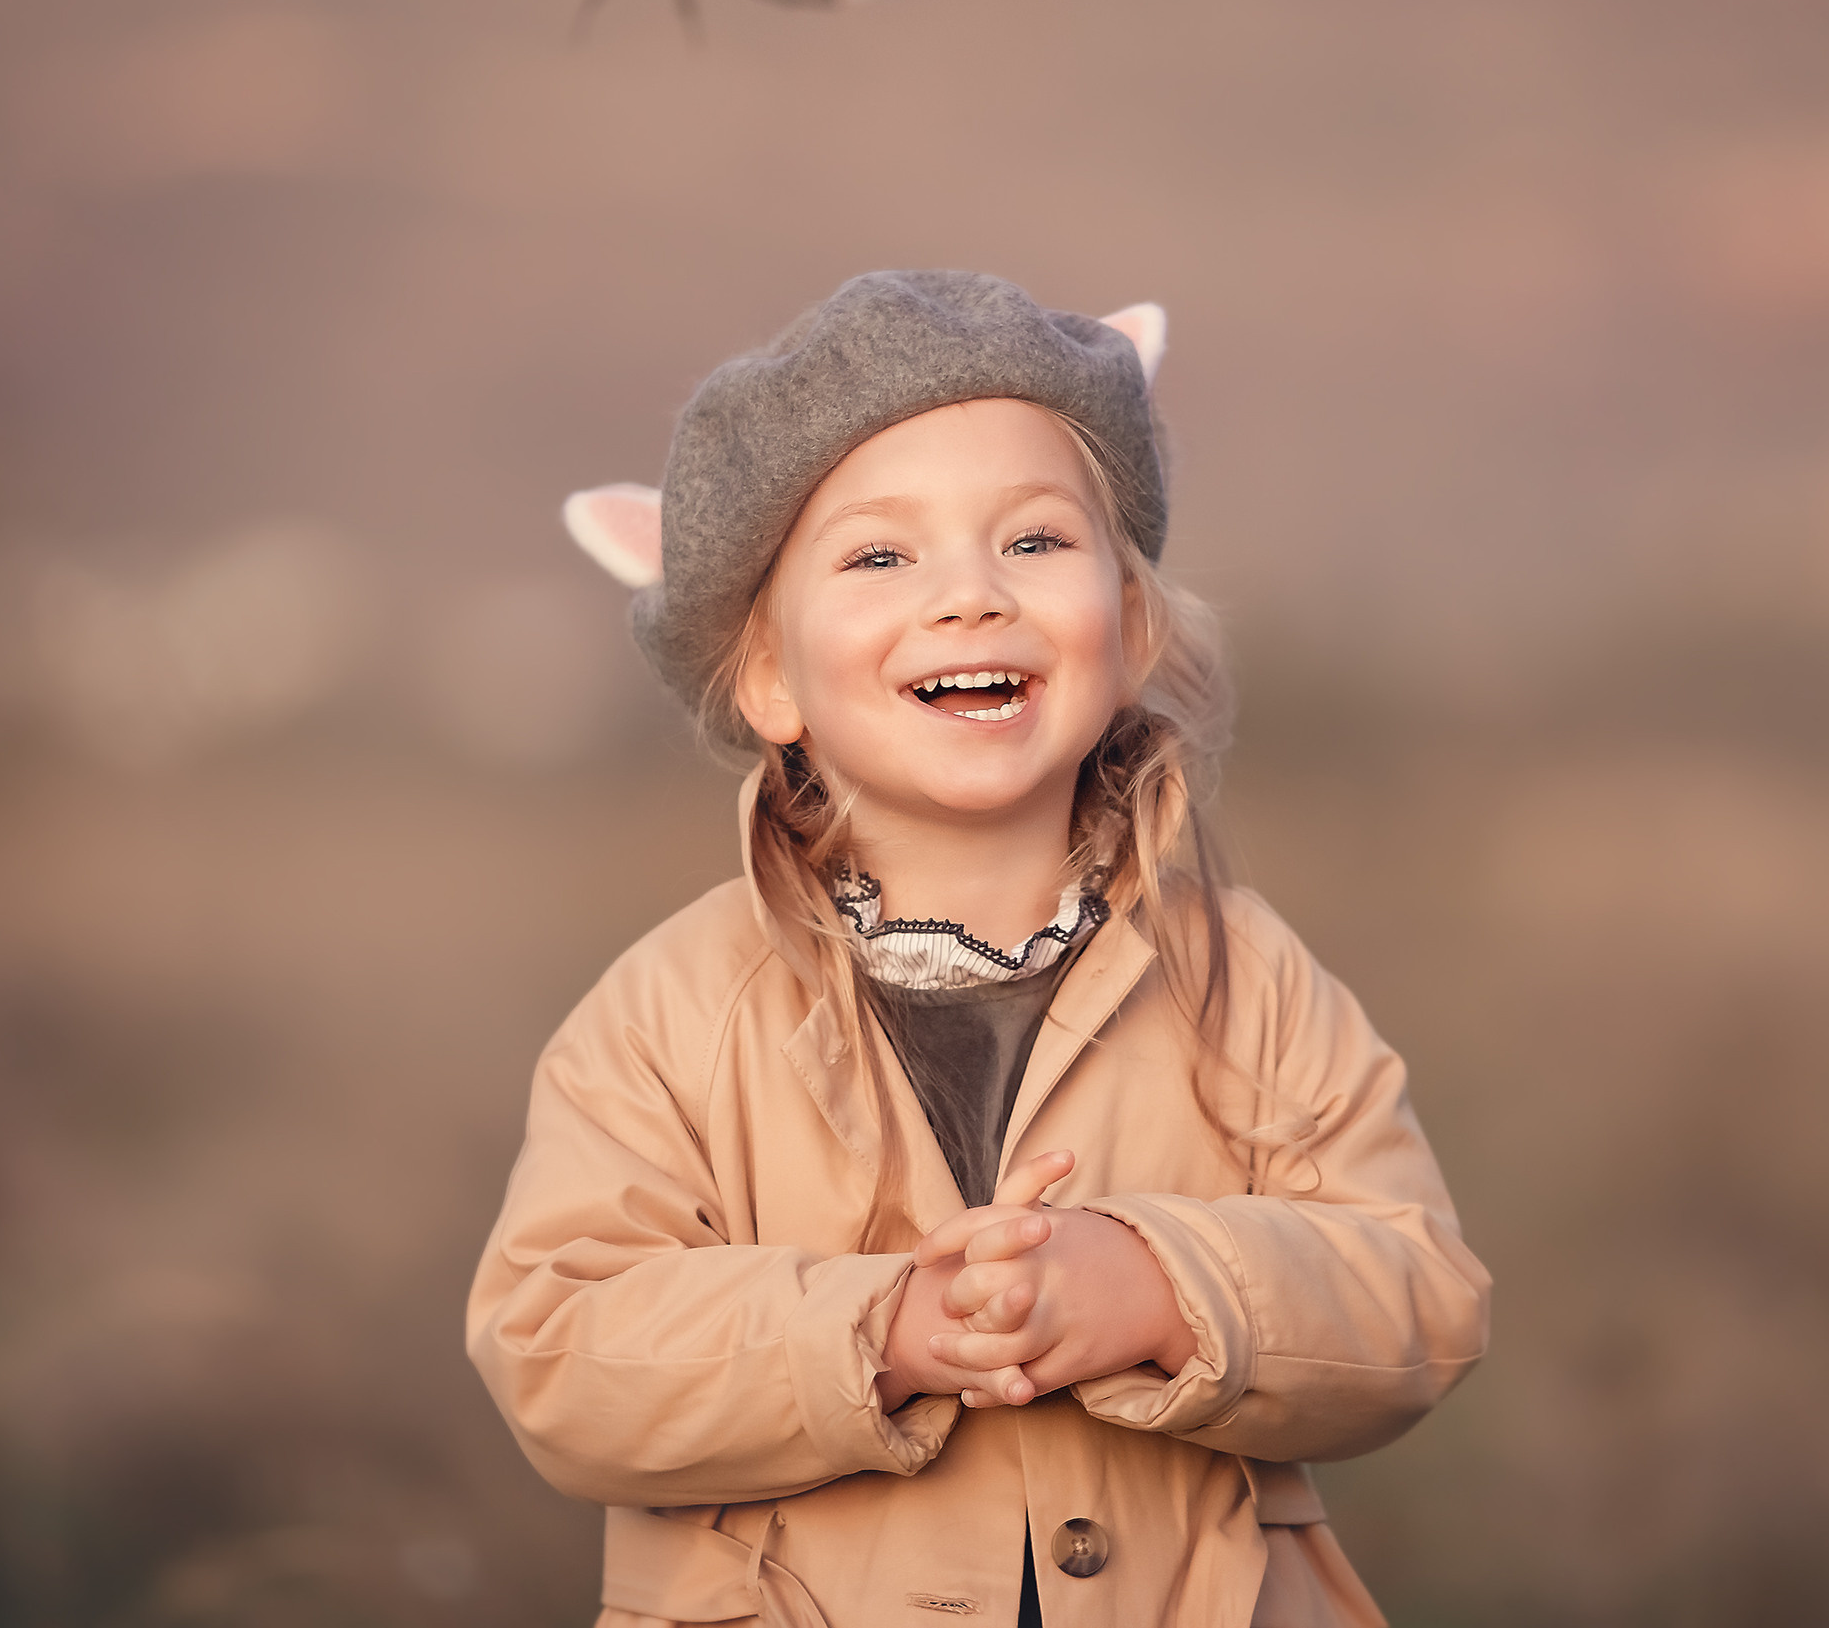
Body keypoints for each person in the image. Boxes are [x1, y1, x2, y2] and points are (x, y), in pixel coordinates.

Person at [467, 271, 1491, 1627]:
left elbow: (1415, 1295)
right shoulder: (669, 1013)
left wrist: (1160, 1287)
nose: (967, 597)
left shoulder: (1240, 975)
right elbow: (560, 1348)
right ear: (769, 674)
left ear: (1127, 628)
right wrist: (879, 1330)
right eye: (882, 556)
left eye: (1033, 541)